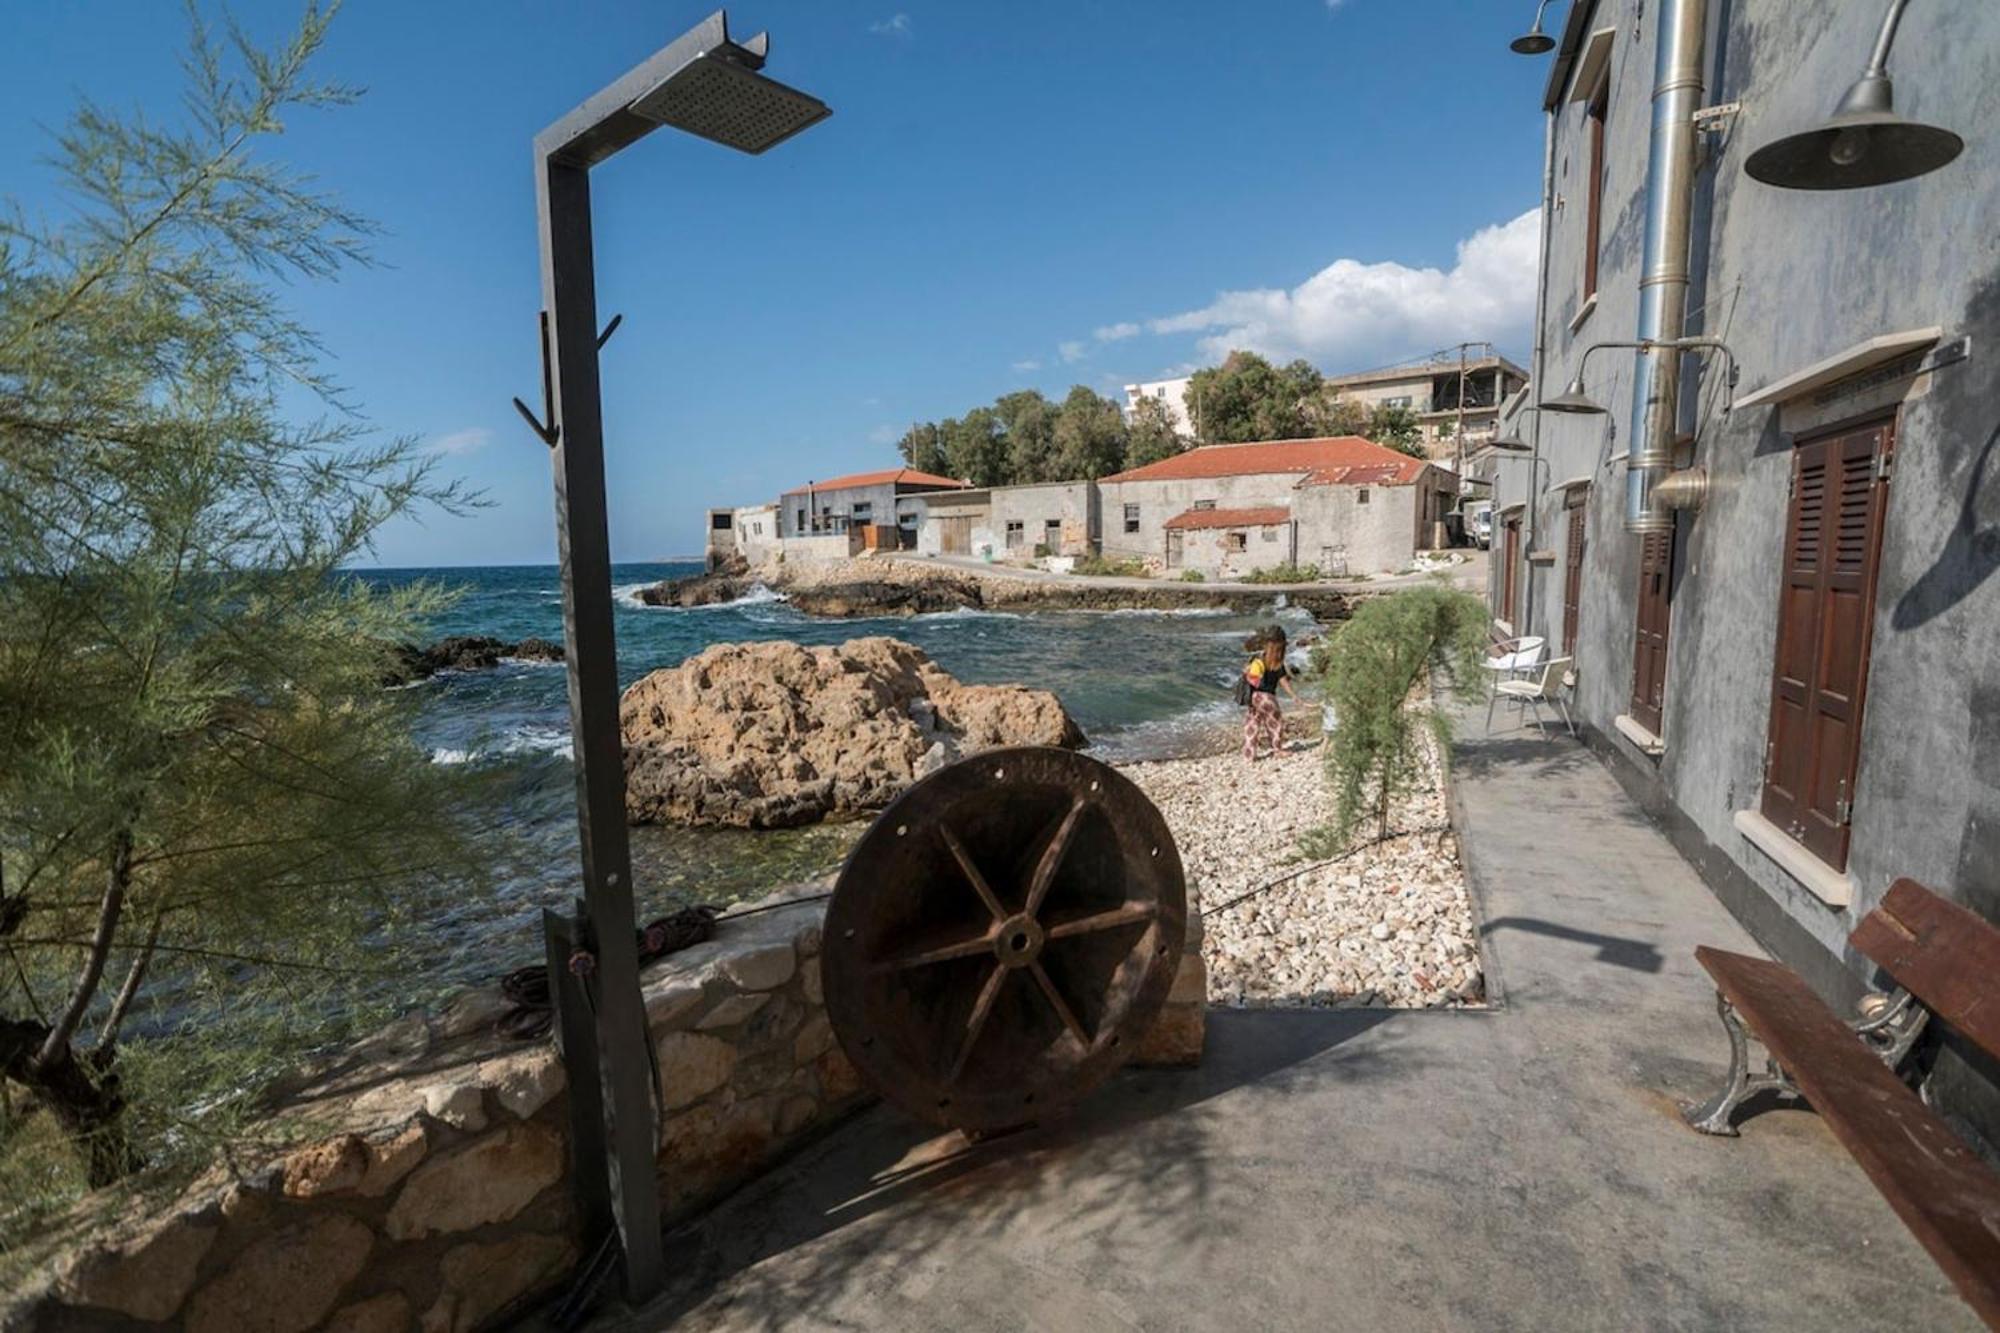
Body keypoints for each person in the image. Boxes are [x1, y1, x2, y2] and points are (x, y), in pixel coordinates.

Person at [1241, 625, 1298, 760]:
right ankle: (1277, 750)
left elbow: (1251, 678)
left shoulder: (1258, 658)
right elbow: (1283, 680)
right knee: (1275, 723)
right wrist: (1293, 696)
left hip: (1254, 696)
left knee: (1252, 722)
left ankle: (1249, 754)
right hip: (1268, 697)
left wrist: (1246, 673)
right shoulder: (1277, 661)